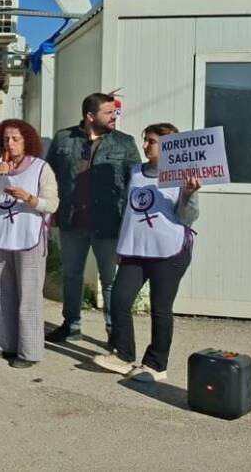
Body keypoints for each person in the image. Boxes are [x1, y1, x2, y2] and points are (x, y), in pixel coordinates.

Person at [93, 123, 200, 383]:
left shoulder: (183, 176)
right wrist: (122, 246)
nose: (145, 146)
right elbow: (130, 212)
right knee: (119, 300)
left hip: (169, 253)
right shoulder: (136, 172)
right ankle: (123, 354)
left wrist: (189, 194)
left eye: (151, 141)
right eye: (146, 140)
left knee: (160, 308)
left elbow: (188, 218)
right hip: (135, 251)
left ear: (169, 146)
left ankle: (156, 365)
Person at [45, 92, 140, 343]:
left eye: (115, 112)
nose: (114, 117)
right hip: (71, 220)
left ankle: (114, 332)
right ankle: (71, 324)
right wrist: (51, 210)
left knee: (109, 280)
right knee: (71, 276)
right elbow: (48, 175)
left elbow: (136, 183)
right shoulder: (64, 139)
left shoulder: (125, 143)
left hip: (108, 223)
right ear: (90, 116)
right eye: (109, 112)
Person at [0, 120, 59, 369]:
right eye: (5, 139)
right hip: (3, 236)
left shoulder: (40, 168)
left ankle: (29, 351)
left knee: (28, 296)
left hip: (29, 238)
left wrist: (29, 198)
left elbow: (53, 204)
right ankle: (4, 344)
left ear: (27, 140)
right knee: (3, 292)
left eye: (15, 139)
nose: (10, 143)